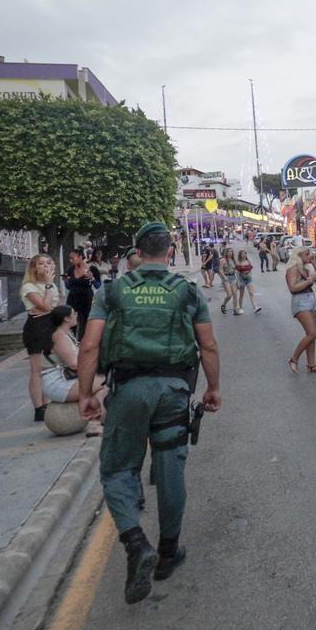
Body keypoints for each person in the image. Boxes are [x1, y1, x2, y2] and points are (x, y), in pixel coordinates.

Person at [77, 221, 221, 604]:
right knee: (171, 466)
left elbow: (90, 346)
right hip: (174, 390)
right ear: (170, 251)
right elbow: (207, 345)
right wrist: (214, 388)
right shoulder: (187, 291)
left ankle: (136, 542)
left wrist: (86, 392)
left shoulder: (112, 290)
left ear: (138, 253)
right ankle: (169, 552)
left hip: (126, 391)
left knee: (118, 469)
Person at [41, 306, 106, 436]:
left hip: (66, 379)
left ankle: (98, 424)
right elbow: (73, 364)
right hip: (58, 383)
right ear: (66, 318)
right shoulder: (58, 336)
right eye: (73, 313)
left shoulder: (66, 333)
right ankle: (99, 423)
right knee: (105, 382)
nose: (76, 315)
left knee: (104, 388)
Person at [21, 254, 59, 422]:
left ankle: (47, 402)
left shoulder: (52, 286)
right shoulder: (29, 286)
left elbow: (54, 307)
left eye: (48, 262)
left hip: (51, 326)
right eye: (41, 263)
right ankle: (38, 407)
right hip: (36, 328)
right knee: (37, 369)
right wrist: (47, 305)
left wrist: (48, 309)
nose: (46, 266)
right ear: (34, 268)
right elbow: (44, 305)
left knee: (49, 367)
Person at [286, 247, 316, 373]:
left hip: (311, 300)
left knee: (312, 336)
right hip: (300, 301)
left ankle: (311, 365)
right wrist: (309, 281)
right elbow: (292, 288)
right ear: (298, 256)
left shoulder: (305, 269)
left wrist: (314, 265)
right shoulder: (292, 270)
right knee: (312, 333)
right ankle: (294, 359)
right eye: (307, 254)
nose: (310, 256)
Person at [65, 249, 102, 341]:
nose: (71, 260)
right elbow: (69, 287)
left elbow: (98, 286)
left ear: (80, 257)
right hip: (73, 297)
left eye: (72, 258)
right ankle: (72, 340)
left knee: (85, 320)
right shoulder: (70, 270)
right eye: (69, 258)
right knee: (71, 319)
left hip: (86, 297)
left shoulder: (92, 269)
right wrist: (66, 281)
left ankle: (84, 340)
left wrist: (92, 278)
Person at [235, 250, 262, 314]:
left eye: (245, 253)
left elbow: (250, 269)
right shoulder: (238, 262)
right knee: (241, 295)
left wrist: (250, 273)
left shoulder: (248, 261)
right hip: (241, 279)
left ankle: (255, 307)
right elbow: (237, 273)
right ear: (240, 255)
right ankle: (241, 308)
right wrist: (239, 281)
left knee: (251, 293)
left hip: (249, 278)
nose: (244, 255)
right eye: (242, 254)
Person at [218, 246, 238, 315]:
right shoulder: (222, 260)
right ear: (226, 253)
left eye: (231, 252)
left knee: (235, 294)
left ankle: (235, 310)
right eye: (229, 251)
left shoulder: (233, 260)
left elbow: (236, 269)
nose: (230, 253)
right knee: (229, 295)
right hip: (226, 278)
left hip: (233, 277)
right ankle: (223, 304)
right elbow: (220, 270)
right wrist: (224, 276)